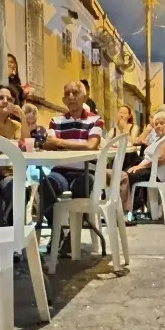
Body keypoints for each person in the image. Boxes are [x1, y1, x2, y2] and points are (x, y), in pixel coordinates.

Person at [41, 81, 104, 226]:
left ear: (85, 97)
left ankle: (73, 234)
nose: (71, 97)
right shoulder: (55, 121)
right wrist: (59, 143)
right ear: (63, 100)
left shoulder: (95, 120)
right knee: (47, 184)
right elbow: (49, 144)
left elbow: (91, 146)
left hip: (85, 171)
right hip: (60, 171)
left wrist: (60, 142)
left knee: (84, 184)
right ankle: (57, 232)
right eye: (67, 94)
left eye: (75, 93)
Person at [0, 84, 31, 225]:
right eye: (0, 98)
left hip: (7, 174)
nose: (5, 101)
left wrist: (22, 116)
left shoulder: (16, 126)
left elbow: (27, 147)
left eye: (10, 99)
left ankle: (11, 235)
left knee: (18, 188)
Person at [124, 110, 165, 213]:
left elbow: (161, 159)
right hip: (154, 170)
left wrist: (140, 167)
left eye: (162, 123)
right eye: (156, 124)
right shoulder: (161, 138)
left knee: (126, 176)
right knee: (125, 171)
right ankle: (131, 209)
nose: (158, 126)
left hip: (157, 173)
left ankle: (128, 211)